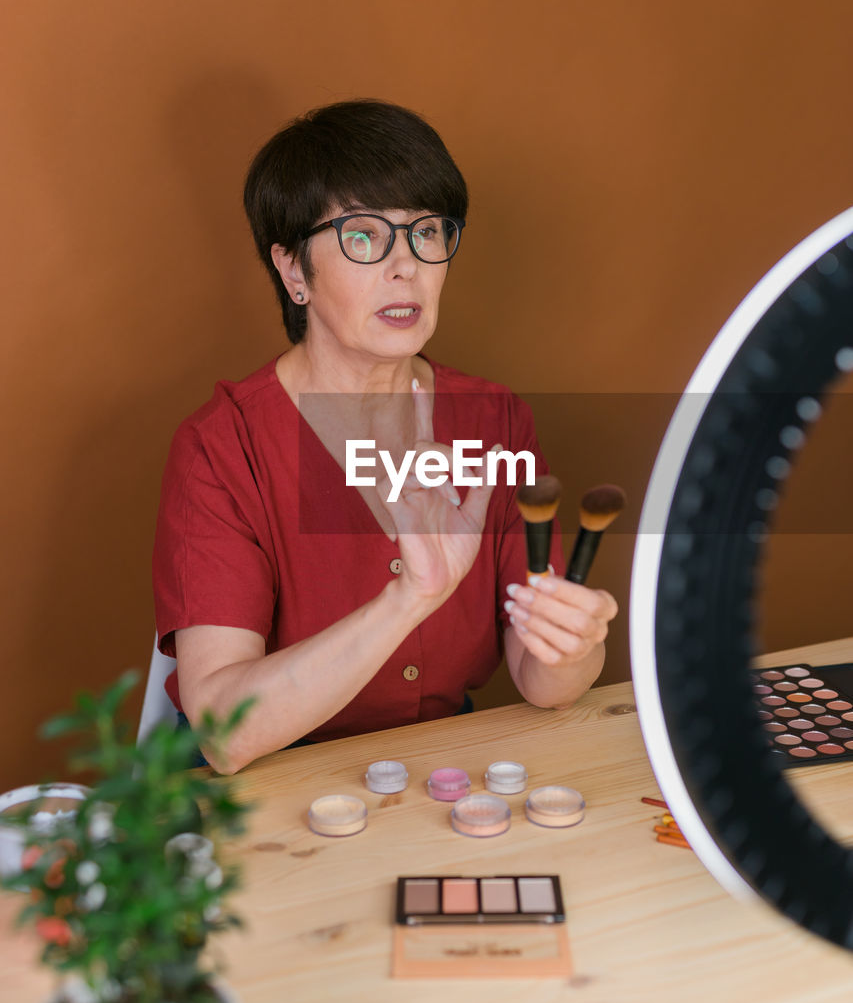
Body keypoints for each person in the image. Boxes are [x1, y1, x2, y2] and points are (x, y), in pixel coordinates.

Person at [152, 100, 617, 773]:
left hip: (436, 773)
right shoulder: (222, 448)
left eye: (427, 234)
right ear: (291, 272)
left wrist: (573, 649)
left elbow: (538, 678)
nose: (406, 268)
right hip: (270, 787)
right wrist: (408, 601)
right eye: (363, 238)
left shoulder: (493, 421)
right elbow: (224, 733)